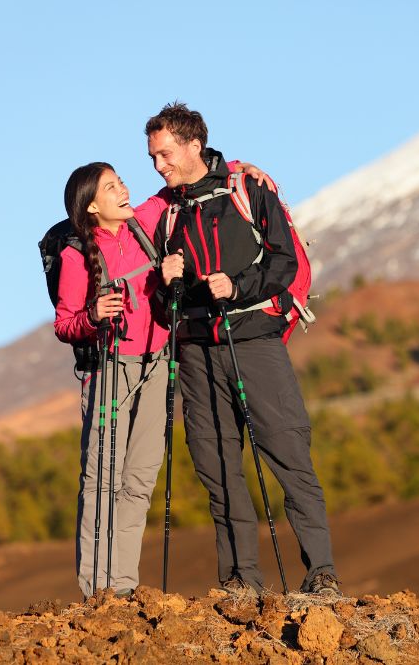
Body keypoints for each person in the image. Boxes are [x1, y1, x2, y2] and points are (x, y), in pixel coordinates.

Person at [149, 102, 340, 596]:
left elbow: (284, 262)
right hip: (195, 351)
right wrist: (165, 283)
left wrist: (236, 287)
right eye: (152, 157)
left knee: (289, 454)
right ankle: (241, 581)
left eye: (165, 154)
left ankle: (321, 573)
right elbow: (161, 301)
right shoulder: (167, 214)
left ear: (194, 145)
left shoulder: (247, 190)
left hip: (253, 341)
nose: (159, 165)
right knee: (216, 467)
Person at [55, 159, 270, 599]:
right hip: (109, 369)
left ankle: (125, 586)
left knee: (139, 479)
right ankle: (97, 589)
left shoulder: (145, 219)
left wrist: (234, 168)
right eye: (111, 187)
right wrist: (92, 316)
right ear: (92, 207)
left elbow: (186, 174)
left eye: (120, 182)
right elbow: (64, 324)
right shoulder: (76, 255)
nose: (124, 190)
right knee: (102, 479)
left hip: (156, 366)